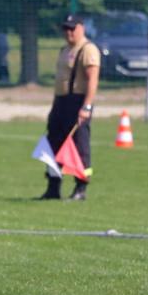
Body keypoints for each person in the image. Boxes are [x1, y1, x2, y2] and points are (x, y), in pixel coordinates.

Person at [40, 14, 100, 201]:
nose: (68, 32)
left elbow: (92, 80)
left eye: (72, 28)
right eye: (66, 28)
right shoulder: (65, 49)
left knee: (79, 145)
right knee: (53, 143)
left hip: (77, 102)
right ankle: (53, 186)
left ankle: (81, 187)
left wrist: (87, 106)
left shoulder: (88, 49)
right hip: (61, 102)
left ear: (82, 28)